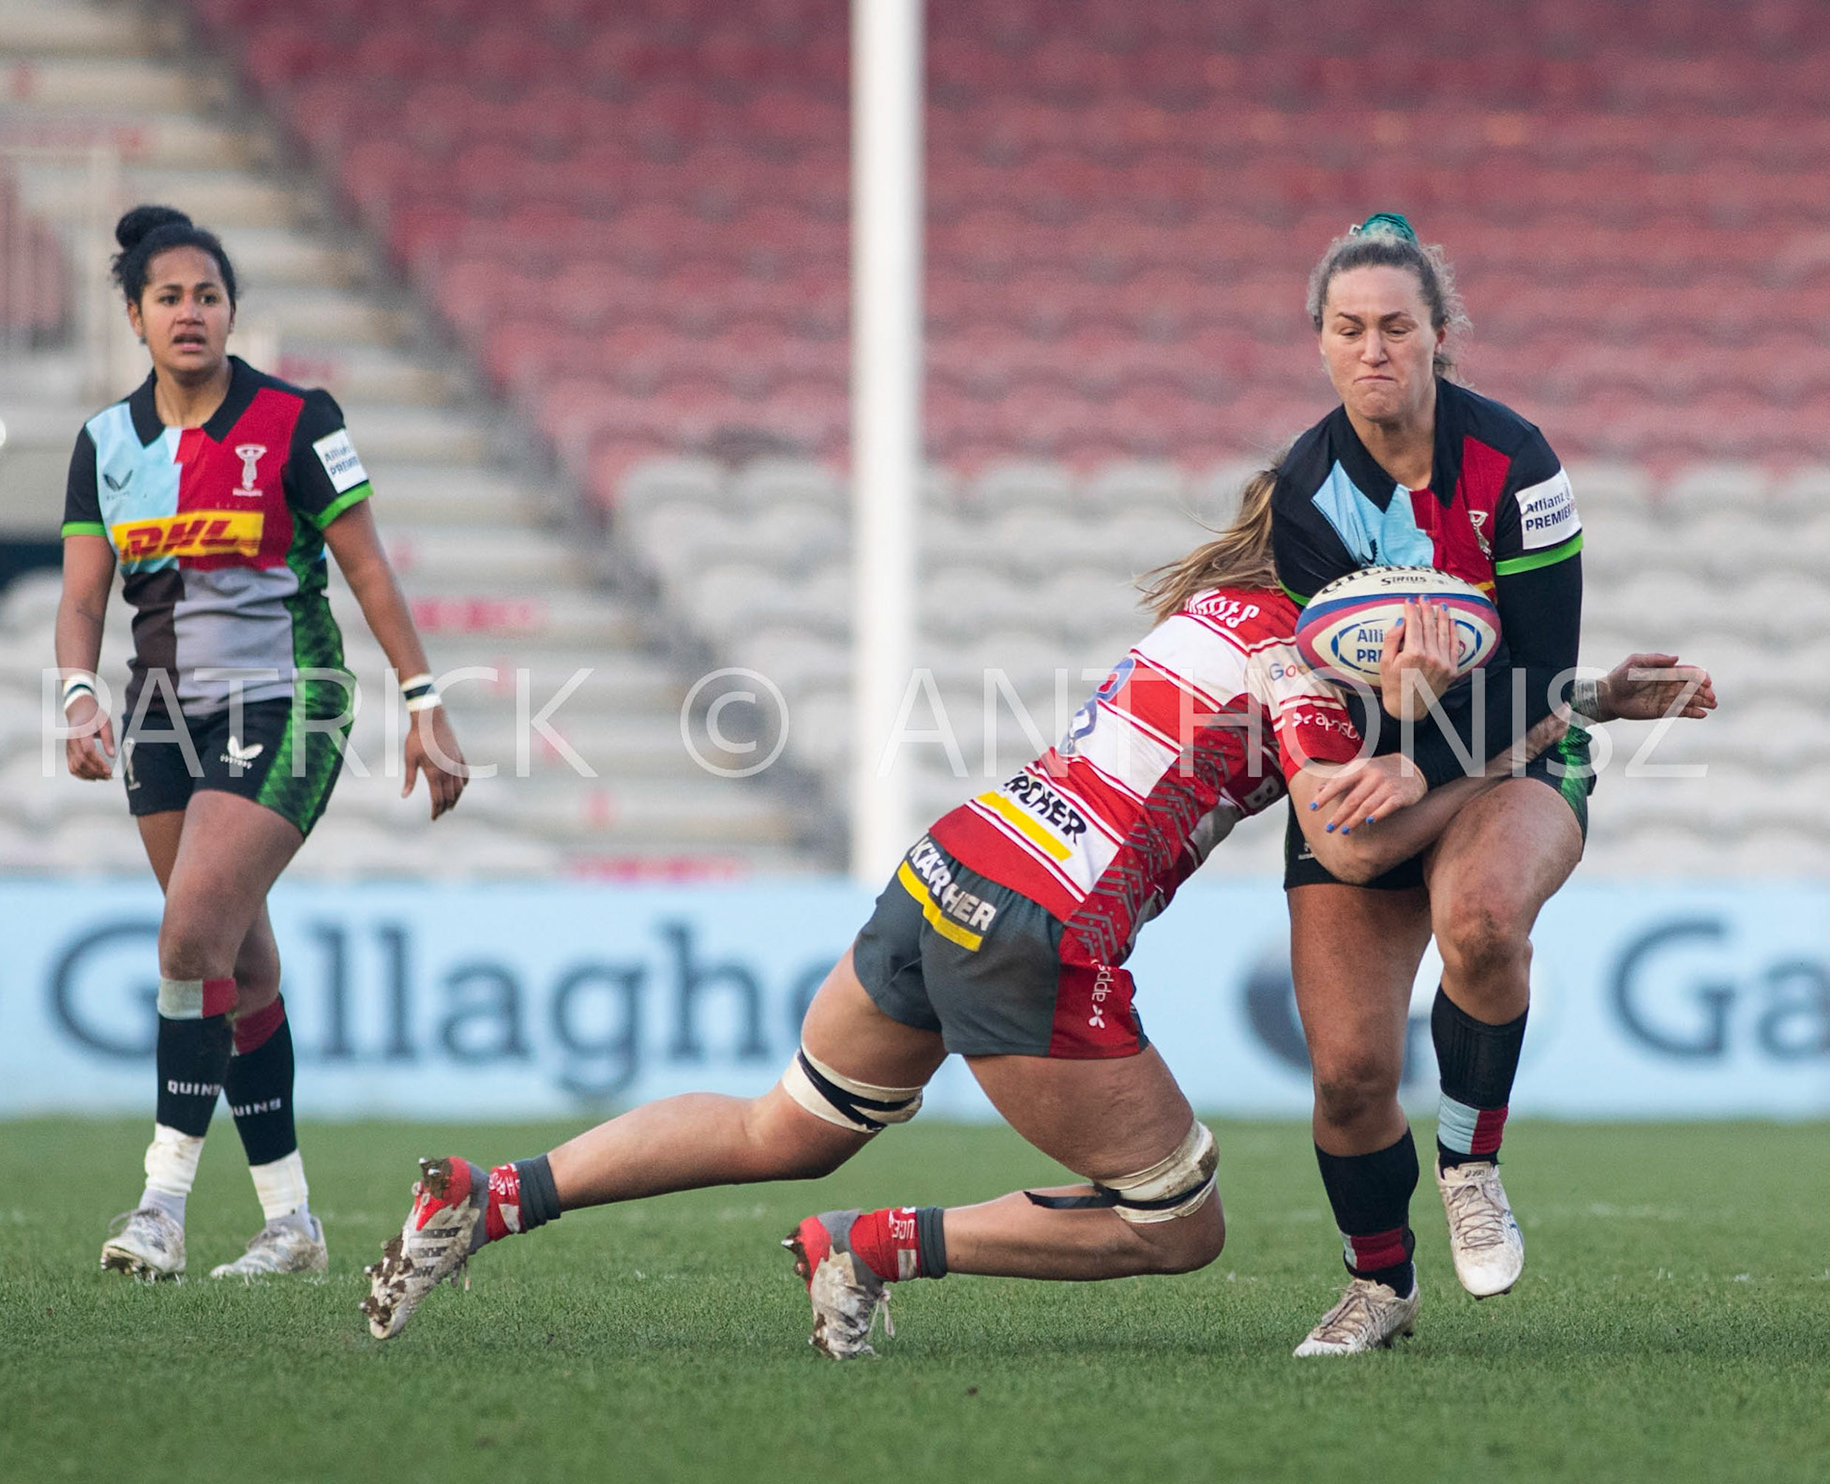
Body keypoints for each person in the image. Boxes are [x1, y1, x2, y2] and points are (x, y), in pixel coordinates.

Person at [359, 470, 1562, 1355]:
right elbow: (1349, 838)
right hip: (1040, 924)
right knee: (1178, 1218)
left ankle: (492, 1191)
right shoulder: (1295, 658)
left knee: (786, 1122)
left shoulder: (1209, 614)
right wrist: (1515, 744)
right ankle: (873, 1245)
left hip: (952, 860)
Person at [1269, 213, 1717, 1355]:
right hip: (1379, 759)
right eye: (1349, 328)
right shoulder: (1306, 492)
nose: (1374, 349)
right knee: (1351, 1077)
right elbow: (1327, 677)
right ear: (1319, 342)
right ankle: (1381, 1285)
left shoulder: (1518, 463)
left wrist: (1425, 739)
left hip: (1515, 744)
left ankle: (1470, 1161)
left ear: (1441, 336)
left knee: (1480, 923)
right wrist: (1389, 732)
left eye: (1397, 327)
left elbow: (1539, 671)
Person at [57, 205, 470, 1280]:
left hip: (289, 701)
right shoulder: (104, 445)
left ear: (232, 309)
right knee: (236, 960)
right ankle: (292, 1224)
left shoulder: (296, 417)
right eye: (168, 297)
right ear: (136, 318)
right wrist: (76, 695)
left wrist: (424, 698)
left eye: (208, 294)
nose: (190, 312)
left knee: (190, 938)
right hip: (156, 715)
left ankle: (160, 1203)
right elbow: (81, 599)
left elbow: (369, 568)